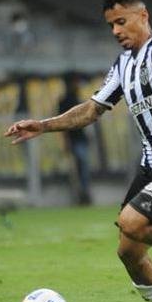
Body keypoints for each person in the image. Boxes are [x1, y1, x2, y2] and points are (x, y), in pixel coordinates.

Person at [4, 0, 152, 302]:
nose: (116, 31)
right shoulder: (122, 66)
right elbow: (90, 110)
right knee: (127, 250)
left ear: (142, 16)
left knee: (132, 223)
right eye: (111, 25)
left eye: (121, 21)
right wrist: (42, 125)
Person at [57, 73, 93, 205]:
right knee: (77, 169)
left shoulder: (79, 99)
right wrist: (65, 142)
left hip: (81, 139)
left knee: (83, 168)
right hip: (74, 140)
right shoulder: (64, 101)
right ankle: (80, 195)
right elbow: (61, 124)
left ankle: (84, 193)